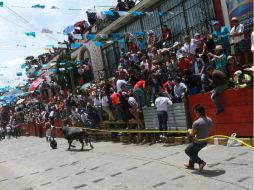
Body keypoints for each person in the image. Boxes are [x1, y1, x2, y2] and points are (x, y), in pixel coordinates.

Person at [184, 104, 212, 172]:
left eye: (195, 112)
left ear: (198, 112)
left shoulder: (196, 123)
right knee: (193, 152)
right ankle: (190, 165)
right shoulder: (210, 120)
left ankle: (201, 162)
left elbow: (192, 134)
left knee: (187, 151)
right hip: (205, 142)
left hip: (198, 142)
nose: (195, 114)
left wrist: (189, 130)